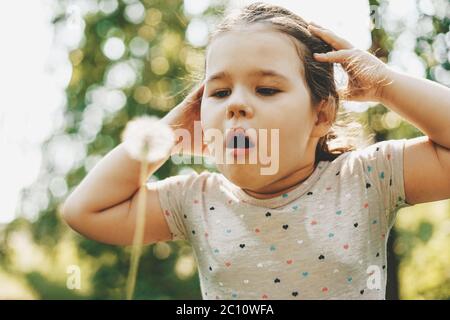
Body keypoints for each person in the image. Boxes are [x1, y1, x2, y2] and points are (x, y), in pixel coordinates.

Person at [62, 2, 450, 299]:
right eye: (218, 92)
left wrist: (385, 85)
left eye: (266, 89)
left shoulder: (366, 178)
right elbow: (85, 211)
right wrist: (166, 133)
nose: (236, 105)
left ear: (321, 115)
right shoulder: (195, 200)